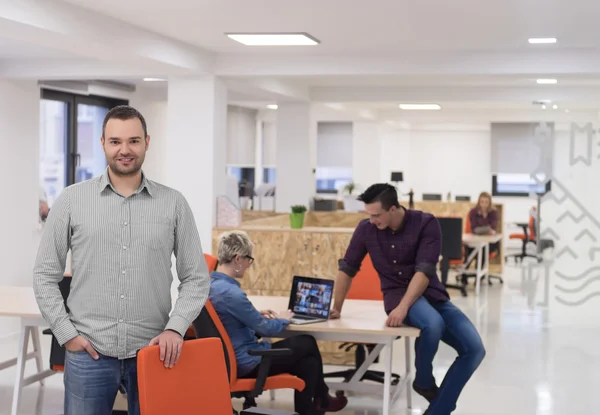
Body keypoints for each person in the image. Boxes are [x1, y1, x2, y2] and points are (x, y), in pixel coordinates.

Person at [33, 105, 211, 415]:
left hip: (153, 352)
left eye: (133, 141)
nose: (124, 150)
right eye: (115, 141)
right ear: (102, 142)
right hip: (88, 352)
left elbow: (195, 277)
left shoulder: (173, 204)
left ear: (147, 142)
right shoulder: (72, 200)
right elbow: (45, 274)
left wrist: (175, 328)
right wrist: (67, 334)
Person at [330, 183, 485, 415]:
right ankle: (426, 385)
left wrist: (404, 308)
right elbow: (348, 268)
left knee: (475, 349)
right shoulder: (366, 229)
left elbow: (423, 271)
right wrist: (336, 308)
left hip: (430, 293)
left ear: (393, 208)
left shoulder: (425, 223)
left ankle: (430, 397)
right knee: (432, 324)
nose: (372, 220)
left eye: (376, 215)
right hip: (395, 294)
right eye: (368, 215)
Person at [209, 230, 348, 415]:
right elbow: (266, 329)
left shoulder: (211, 285)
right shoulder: (231, 294)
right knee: (307, 341)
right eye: (248, 260)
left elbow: (226, 316)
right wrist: (283, 319)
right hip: (249, 362)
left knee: (309, 364)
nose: (248, 266)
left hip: (229, 361)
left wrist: (252, 314)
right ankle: (322, 398)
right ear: (237, 259)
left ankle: (315, 406)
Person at [462, 192, 500, 281]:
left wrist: (481, 230)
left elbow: (493, 226)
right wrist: (487, 229)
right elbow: (474, 229)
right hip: (475, 240)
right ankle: (465, 274)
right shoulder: (473, 212)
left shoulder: (494, 212)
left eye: (486, 202)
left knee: (482, 249)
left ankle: (478, 277)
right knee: (471, 249)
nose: (484, 204)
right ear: (479, 202)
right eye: (482, 202)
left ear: (489, 202)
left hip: (490, 242)